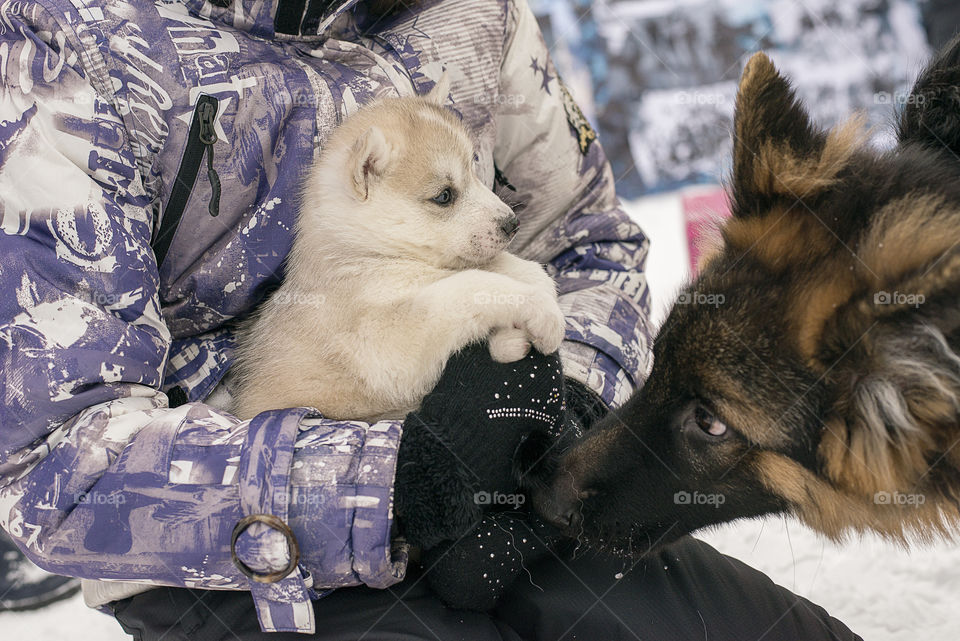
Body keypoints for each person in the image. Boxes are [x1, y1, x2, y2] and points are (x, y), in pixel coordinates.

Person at [0, 0, 860, 638]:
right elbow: (50, 462)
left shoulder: (474, 14)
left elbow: (588, 241)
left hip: (513, 486)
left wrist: (562, 408)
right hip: (233, 550)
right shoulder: (62, 46)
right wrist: (398, 487)